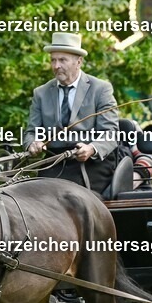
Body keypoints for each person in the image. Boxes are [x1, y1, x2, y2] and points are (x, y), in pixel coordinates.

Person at [23, 32, 120, 195]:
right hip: (54, 162)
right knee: (36, 199)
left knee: (74, 199)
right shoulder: (41, 93)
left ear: (79, 62)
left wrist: (92, 149)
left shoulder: (101, 89)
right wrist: (33, 143)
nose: (56, 66)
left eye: (62, 60)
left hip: (91, 163)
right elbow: (31, 132)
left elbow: (110, 134)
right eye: (53, 60)